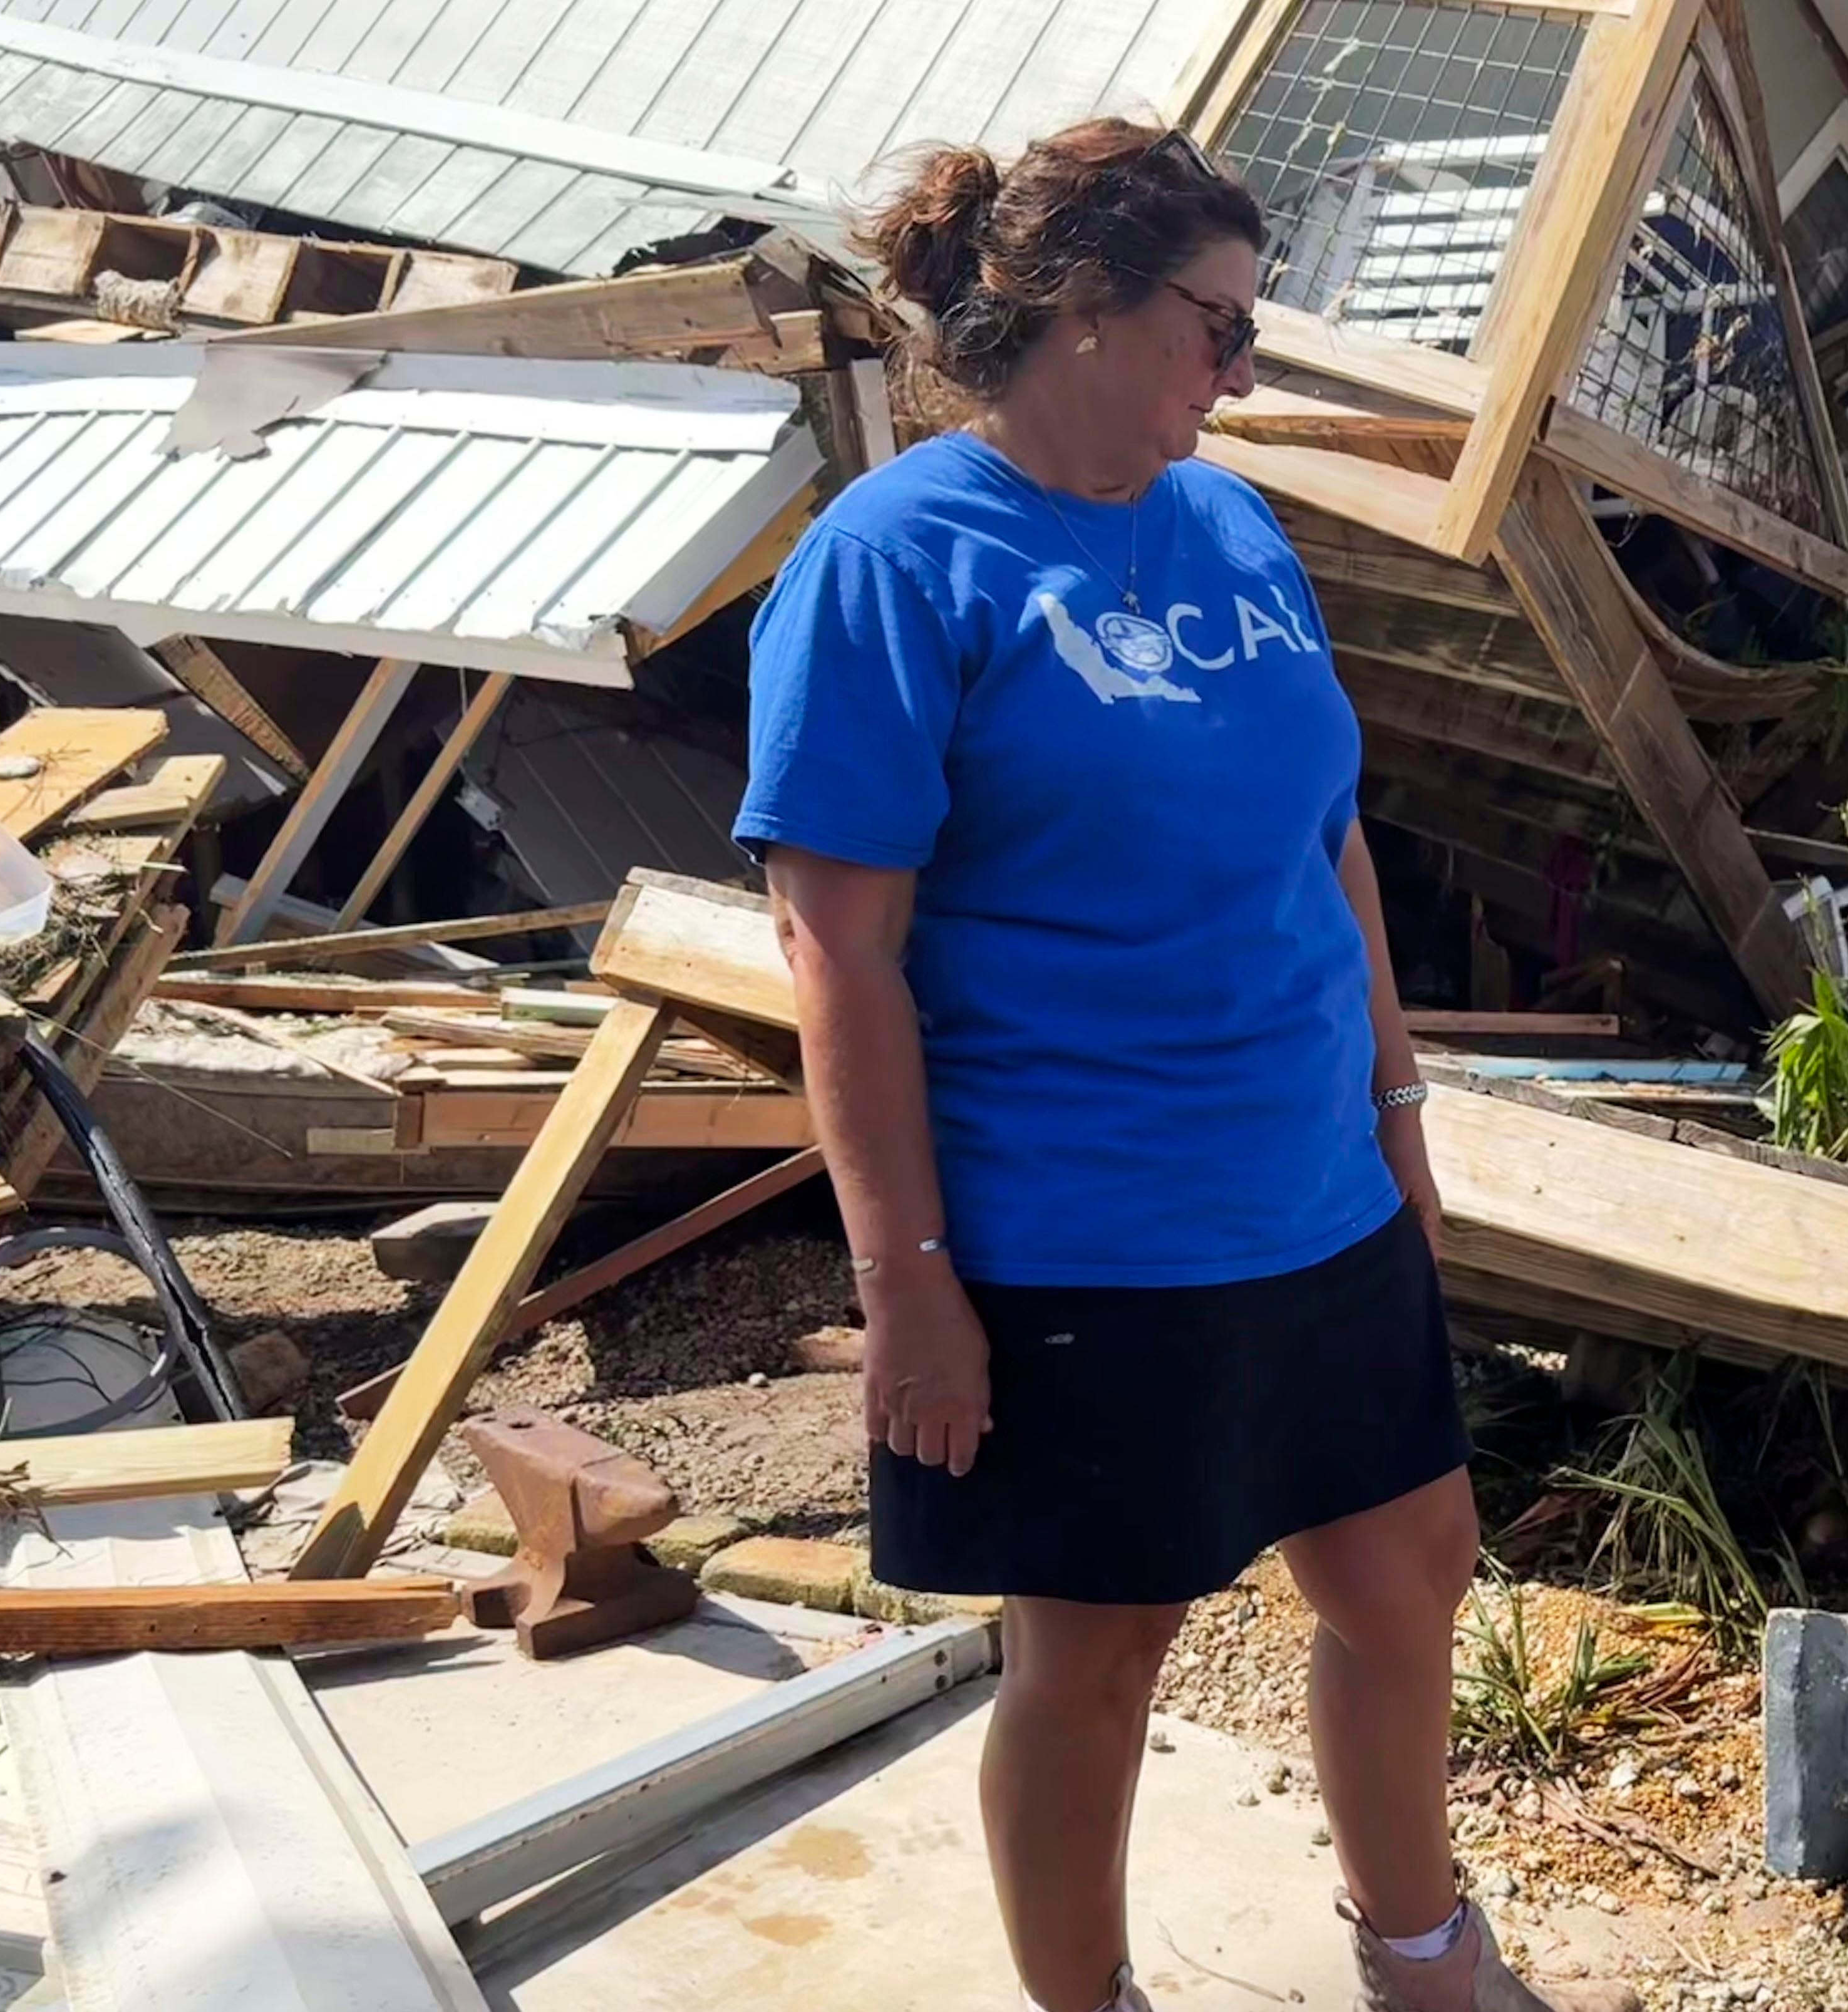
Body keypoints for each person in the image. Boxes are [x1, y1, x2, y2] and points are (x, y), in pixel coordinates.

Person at [733, 118, 1641, 2012]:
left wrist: (1400, 1113)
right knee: (1103, 1653)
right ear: (1078, 307)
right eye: (1215, 327)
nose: (1241, 372)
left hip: (1309, 1190)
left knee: (1410, 1576)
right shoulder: (895, 565)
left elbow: (1331, 841)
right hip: (1084, 1232)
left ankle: (1420, 1953)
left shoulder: (1227, 521)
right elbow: (839, 953)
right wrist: (907, 1284)